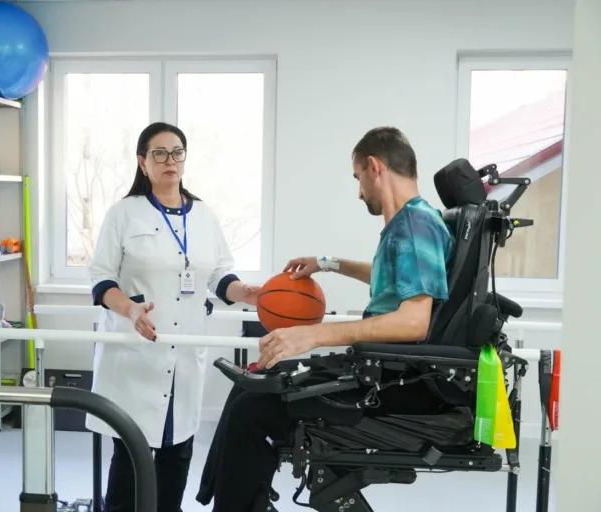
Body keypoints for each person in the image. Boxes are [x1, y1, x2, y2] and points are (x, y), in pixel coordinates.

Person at [196, 126, 455, 511]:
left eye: (358, 177)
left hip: (392, 380)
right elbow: (391, 278)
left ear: (374, 166)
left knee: (250, 411)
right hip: (381, 369)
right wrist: (328, 263)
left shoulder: (416, 226)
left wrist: (313, 335)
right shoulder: (411, 222)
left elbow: (414, 322)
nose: (359, 191)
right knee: (251, 385)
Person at [87, 121, 259, 512]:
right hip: (135, 355)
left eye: (177, 152)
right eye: (160, 153)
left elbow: (219, 276)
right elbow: (101, 279)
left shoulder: (204, 215)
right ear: (142, 163)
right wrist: (131, 309)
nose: (170, 160)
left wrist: (247, 293)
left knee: (177, 453)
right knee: (130, 455)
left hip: (184, 354)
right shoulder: (123, 213)